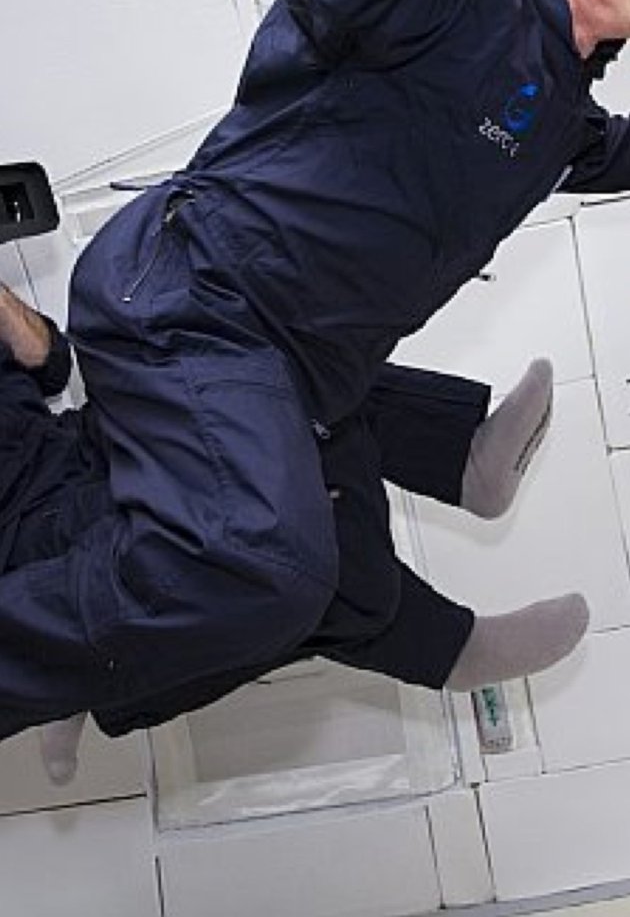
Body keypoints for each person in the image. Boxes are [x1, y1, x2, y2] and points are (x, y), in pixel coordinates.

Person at [3, 0, 630, 773]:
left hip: (301, 372)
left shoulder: (560, 111)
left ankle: (82, 660)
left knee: (330, 576)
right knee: (260, 559)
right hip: (195, 302)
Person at [1, 280, 559, 784]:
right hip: (27, 522)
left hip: (71, 443)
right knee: (255, 543)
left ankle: (461, 482)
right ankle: (444, 626)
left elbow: (48, 361)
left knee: (247, 364)